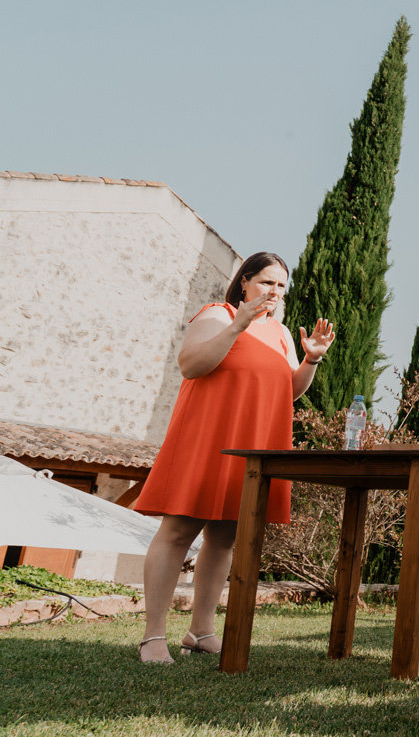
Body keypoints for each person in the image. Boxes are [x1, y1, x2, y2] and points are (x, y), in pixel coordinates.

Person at [133, 252, 334, 664]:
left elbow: (287, 392)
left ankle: (200, 631)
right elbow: (190, 365)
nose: (274, 292)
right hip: (206, 438)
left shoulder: (279, 333)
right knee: (178, 532)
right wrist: (239, 325)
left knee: (224, 539)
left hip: (252, 444)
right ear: (244, 282)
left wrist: (311, 357)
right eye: (266, 282)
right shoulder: (218, 314)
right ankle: (153, 637)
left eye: (281, 285)